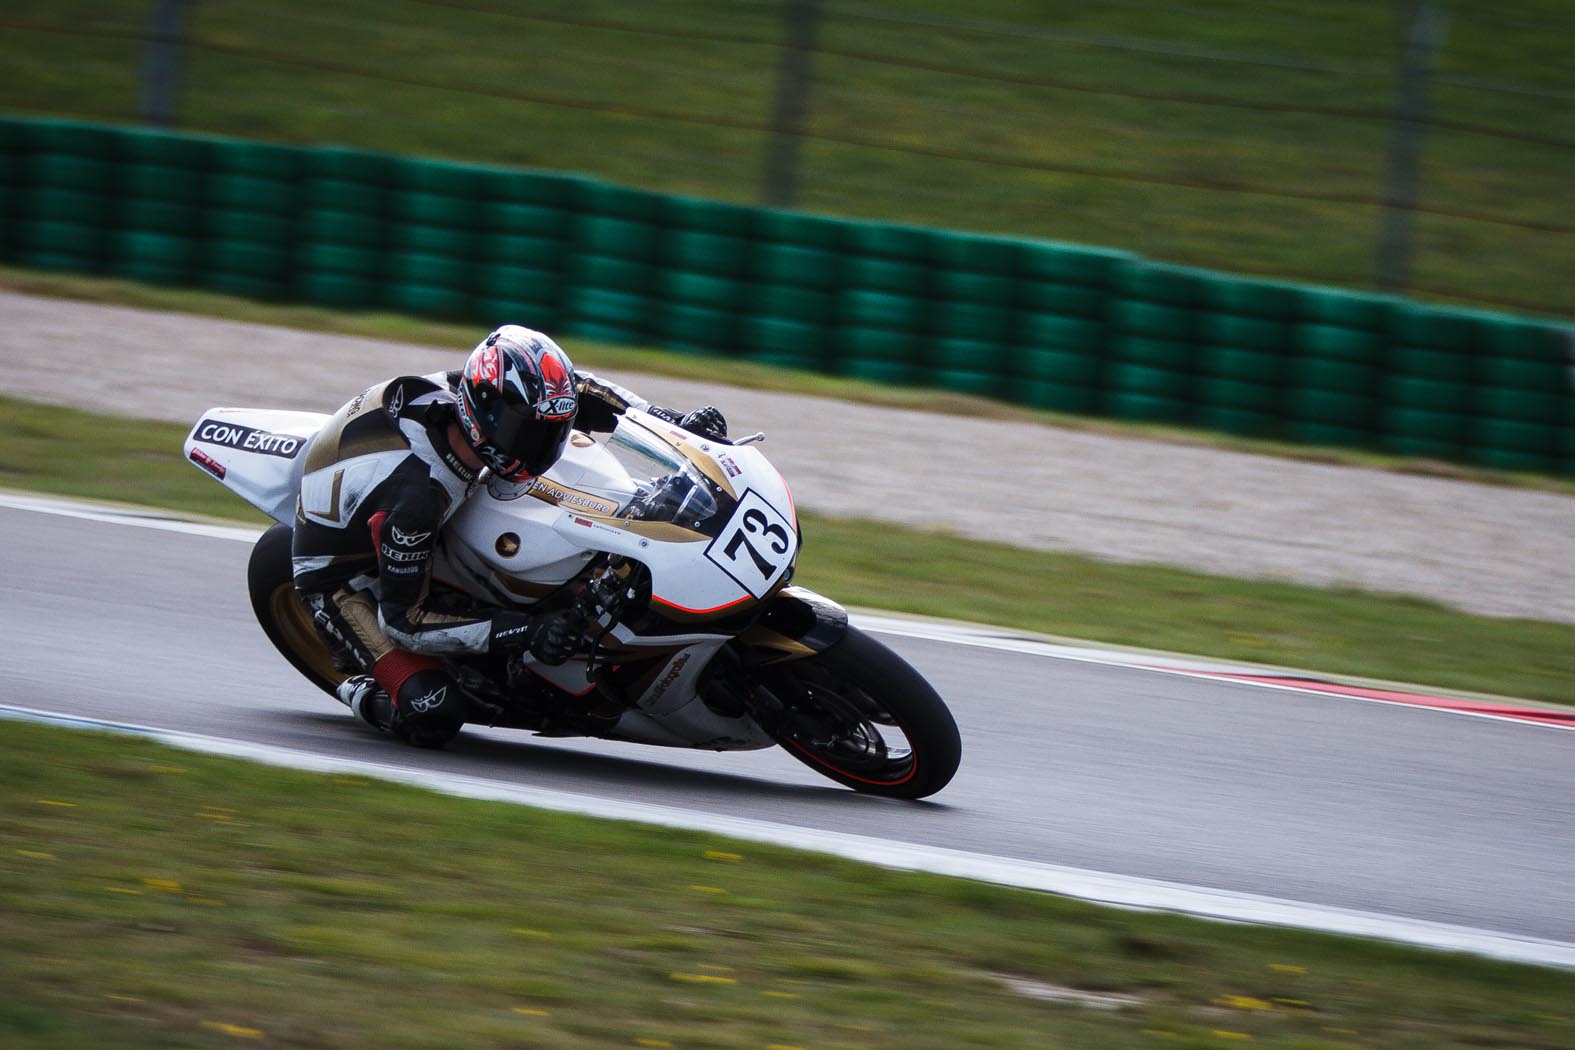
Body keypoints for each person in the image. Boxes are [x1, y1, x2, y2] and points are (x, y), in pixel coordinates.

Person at [292, 323, 728, 748]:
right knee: (434, 712)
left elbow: (581, 389)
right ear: (484, 418)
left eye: (555, 429)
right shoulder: (418, 500)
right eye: (531, 432)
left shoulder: (483, 393)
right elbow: (407, 622)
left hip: (396, 510)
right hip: (345, 579)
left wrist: (673, 424)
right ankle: (360, 690)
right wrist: (528, 631)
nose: (547, 444)